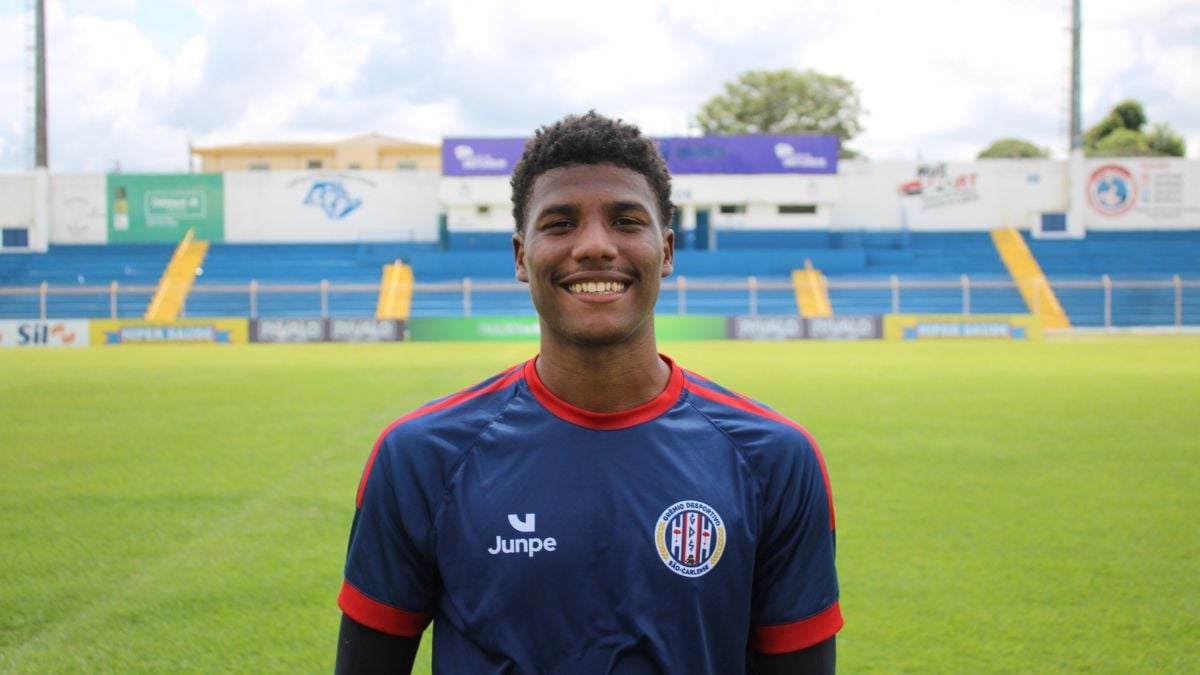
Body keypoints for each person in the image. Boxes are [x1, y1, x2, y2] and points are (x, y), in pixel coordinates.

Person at [336, 111, 842, 674]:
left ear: (666, 251)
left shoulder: (774, 457)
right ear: (521, 257)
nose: (595, 246)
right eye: (560, 224)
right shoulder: (421, 455)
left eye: (626, 221)